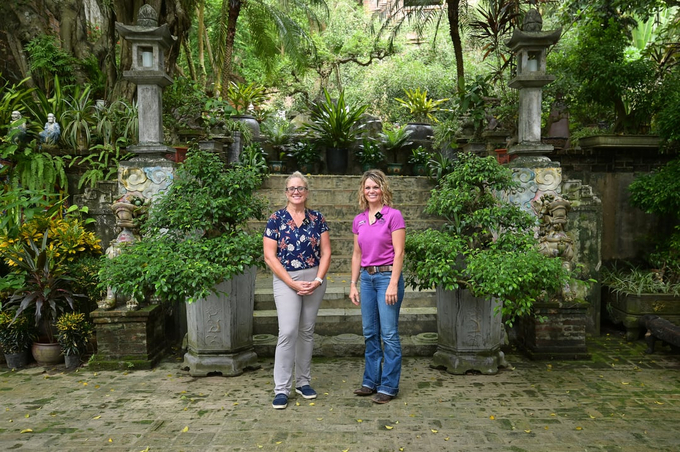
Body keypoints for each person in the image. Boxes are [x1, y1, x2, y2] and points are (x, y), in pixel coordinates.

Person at [263, 171, 331, 409]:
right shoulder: (276, 219)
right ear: (286, 192)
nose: (296, 192)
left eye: (300, 188)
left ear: (307, 192)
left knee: (307, 331)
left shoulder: (317, 218)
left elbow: (326, 252)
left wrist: (319, 280)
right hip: (286, 279)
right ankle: (281, 388)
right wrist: (291, 283)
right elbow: (270, 257)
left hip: (313, 279)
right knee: (288, 331)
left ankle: (303, 382)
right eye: (292, 188)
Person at [349, 170, 405, 404]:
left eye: (375, 187)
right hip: (367, 279)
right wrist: (353, 284)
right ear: (363, 191)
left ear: (383, 189)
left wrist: (393, 283)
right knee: (370, 332)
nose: (371, 191)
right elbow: (356, 254)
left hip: (386, 278)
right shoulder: (359, 220)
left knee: (389, 334)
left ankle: (389, 386)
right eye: (367, 187)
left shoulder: (393, 216)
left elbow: (400, 252)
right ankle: (370, 381)